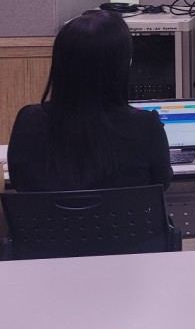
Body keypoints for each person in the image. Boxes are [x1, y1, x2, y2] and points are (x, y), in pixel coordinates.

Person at [7, 10, 173, 192]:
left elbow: (18, 181)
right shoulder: (145, 126)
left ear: (59, 63)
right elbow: (161, 184)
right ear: (123, 65)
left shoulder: (28, 120)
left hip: (45, 213)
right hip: (126, 213)